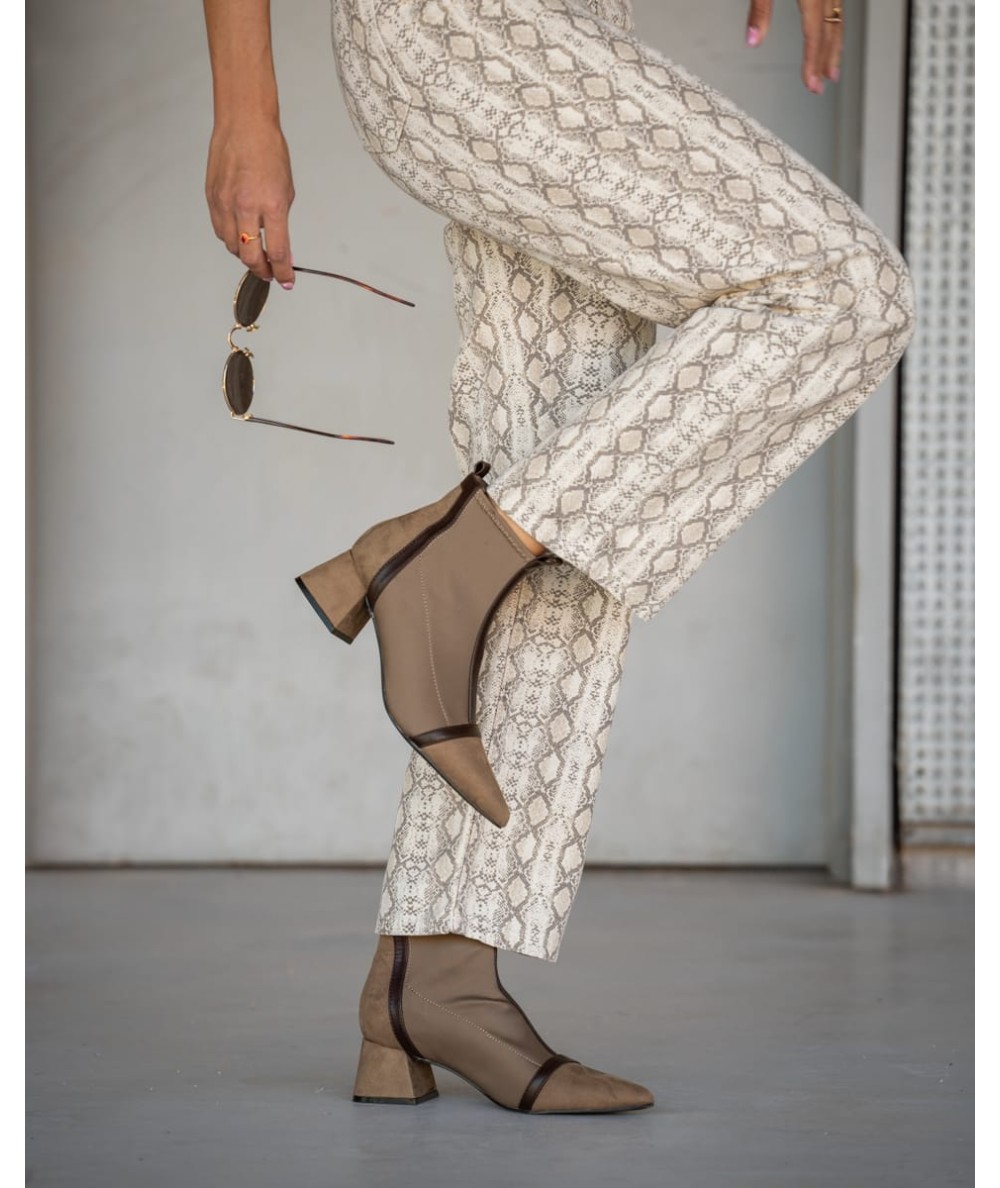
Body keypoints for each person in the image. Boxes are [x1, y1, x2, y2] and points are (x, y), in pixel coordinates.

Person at [202, 0, 916, 1115]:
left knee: (571, 498)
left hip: (570, 26)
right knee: (843, 289)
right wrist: (246, 111)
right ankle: (445, 564)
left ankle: (435, 978)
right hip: (463, 26)